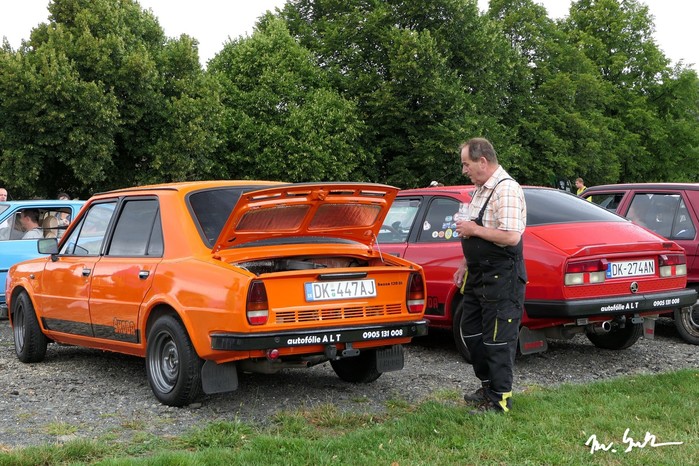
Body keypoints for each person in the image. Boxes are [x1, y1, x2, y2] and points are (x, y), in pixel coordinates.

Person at [453, 137, 527, 414]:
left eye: (466, 164)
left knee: (498, 340)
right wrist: (464, 264)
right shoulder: (480, 190)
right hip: (478, 275)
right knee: (471, 332)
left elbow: (511, 236)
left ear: (482, 161)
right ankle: (487, 386)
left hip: (502, 277)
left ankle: (500, 399)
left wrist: (473, 230)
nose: (464, 170)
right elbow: (474, 235)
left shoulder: (506, 189)